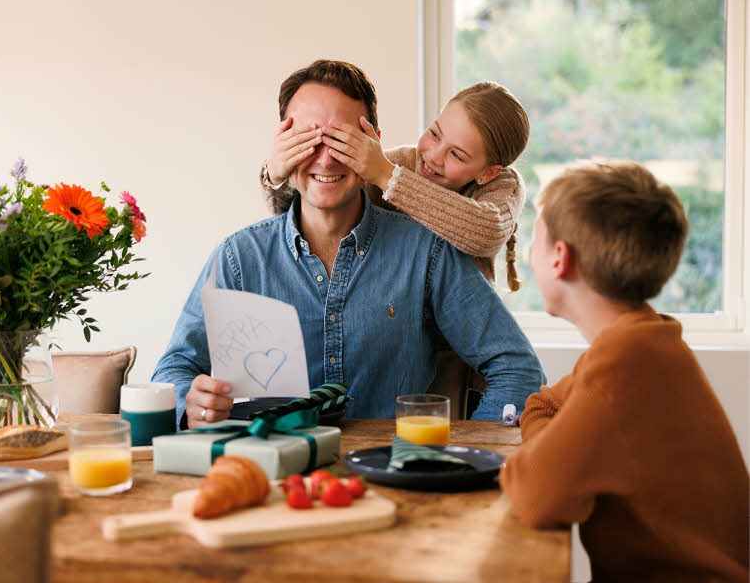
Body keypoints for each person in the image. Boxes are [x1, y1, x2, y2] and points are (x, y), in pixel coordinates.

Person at [153, 59, 544, 429]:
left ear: (372, 143)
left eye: (341, 141)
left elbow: (517, 368)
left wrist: (458, 455)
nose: (325, 159)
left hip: (395, 477)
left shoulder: (428, 251)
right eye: (307, 140)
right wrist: (192, 405)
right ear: (283, 146)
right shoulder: (239, 257)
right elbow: (174, 368)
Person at [499, 160, 749, 581]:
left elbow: (534, 495)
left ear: (560, 258)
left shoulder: (627, 359)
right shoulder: (641, 342)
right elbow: (542, 402)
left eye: (534, 243)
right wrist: (550, 443)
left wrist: (544, 450)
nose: (528, 257)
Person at [261, 80, 529, 290]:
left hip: (460, 348)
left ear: (488, 172)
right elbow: (320, 202)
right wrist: (276, 175)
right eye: (435, 134)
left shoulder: (502, 184)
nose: (434, 155)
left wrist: (386, 177)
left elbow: (487, 232)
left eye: (457, 154)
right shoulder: (397, 162)